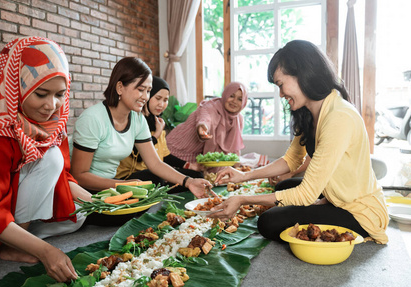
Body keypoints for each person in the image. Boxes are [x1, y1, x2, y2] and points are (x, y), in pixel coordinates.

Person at [211, 40, 389, 244]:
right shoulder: (309, 112)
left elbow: (305, 194)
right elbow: (291, 160)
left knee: (268, 222)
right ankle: (322, 205)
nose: (281, 94)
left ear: (302, 76)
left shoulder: (339, 117)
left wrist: (243, 199)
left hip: (359, 212)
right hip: (337, 196)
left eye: (281, 84)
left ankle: (328, 210)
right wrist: (243, 176)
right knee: (284, 186)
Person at [0, 37, 91, 282]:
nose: (51, 106)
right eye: (41, 94)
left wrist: (102, 203)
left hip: (14, 203)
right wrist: (46, 252)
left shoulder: (53, 123)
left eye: (60, 94)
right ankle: (5, 242)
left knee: (82, 213)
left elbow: (63, 176)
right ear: (16, 86)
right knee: (51, 157)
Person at [70, 57, 211, 198]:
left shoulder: (137, 118)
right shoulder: (93, 119)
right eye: (141, 89)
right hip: (86, 192)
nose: (145, 97)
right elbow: (79, 176)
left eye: (148, 91)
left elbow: (155, 163)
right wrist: (121, 185)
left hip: (112, 187)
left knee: (150, 184)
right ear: (120, 87)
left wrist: (189, 181)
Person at [116, 76, 204, 191]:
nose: (161, 104)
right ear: (147, 97)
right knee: (156, 178)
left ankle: (165, 187)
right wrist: (156, 134)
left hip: (156, 173)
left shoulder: (158, 122)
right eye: (157, 98)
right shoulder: (134, 120)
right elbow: (138, 157)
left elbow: (165, 155)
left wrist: (190, 165)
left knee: (196, 176)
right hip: (130, 177)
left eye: (165, 100)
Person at [166, 82, 248, 163]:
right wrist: (202, 128)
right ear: (225, 95)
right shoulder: (210, 106)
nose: (234, 101)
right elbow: (205, 118)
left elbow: (234, 146)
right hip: (174, 150)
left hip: (197, 158)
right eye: (231, 96)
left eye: (240, 99)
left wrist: (238, 167)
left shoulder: (238, 119)